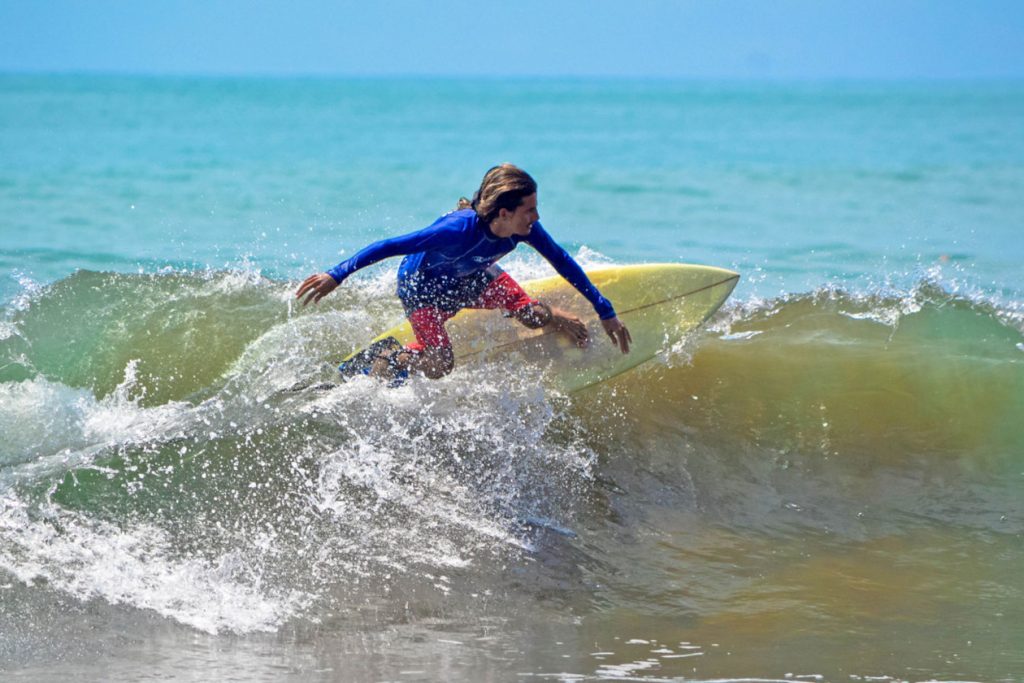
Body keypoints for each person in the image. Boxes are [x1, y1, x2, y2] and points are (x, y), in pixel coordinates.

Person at [296, 164, 631, 380]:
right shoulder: (456, 230)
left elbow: (561, 260)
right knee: (440, 364)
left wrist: (605, 310)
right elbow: (390, 245)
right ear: (504, 212)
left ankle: (553, 316)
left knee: (531, 315)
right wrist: (336, 274)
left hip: (473, 275)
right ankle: (392, 356)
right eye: (530, 209)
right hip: (422, 287)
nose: (537, 217)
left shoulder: (524, 230)